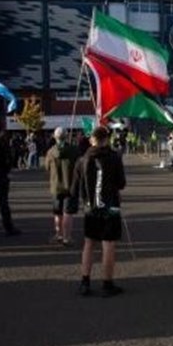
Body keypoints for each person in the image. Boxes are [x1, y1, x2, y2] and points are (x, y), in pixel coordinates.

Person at [71, 126, 126, 297]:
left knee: (89, 243)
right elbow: (121, 183)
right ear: (106, 139)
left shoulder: (82, 160)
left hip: (91, 206)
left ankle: (85, 281)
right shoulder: (115, 158)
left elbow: (74, 189)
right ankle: (107, 283)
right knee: (108, 244)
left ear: (91, 140)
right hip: (111, 206)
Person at [45, 127, 79, 246]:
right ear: (66, 136)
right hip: (70, 185)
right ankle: (67, 237)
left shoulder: (50, 152)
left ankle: (58, 234)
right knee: (68, 212)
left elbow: (47, 168)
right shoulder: (74, 151)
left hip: (56, 186)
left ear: (55, 137)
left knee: (57, 212)